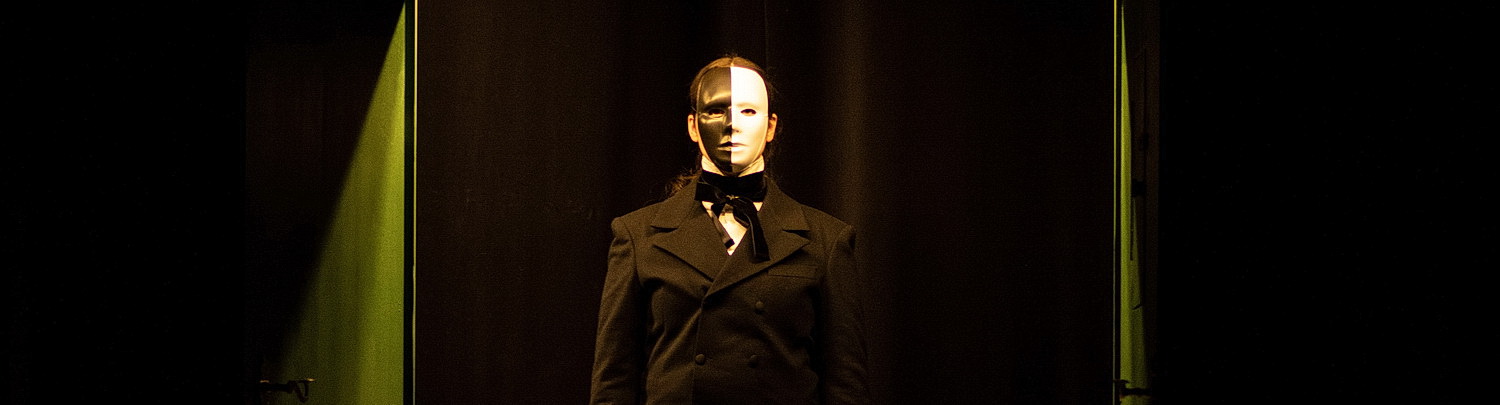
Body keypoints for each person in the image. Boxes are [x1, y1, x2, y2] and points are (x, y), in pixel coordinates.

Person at [590, 55, 871, 404]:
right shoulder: (637, 236)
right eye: (715, 111)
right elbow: (613, 382)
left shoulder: (826, 241)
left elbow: (846, 386)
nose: (731, 125)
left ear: (771, 126)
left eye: (748, 111)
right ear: (693, 126)